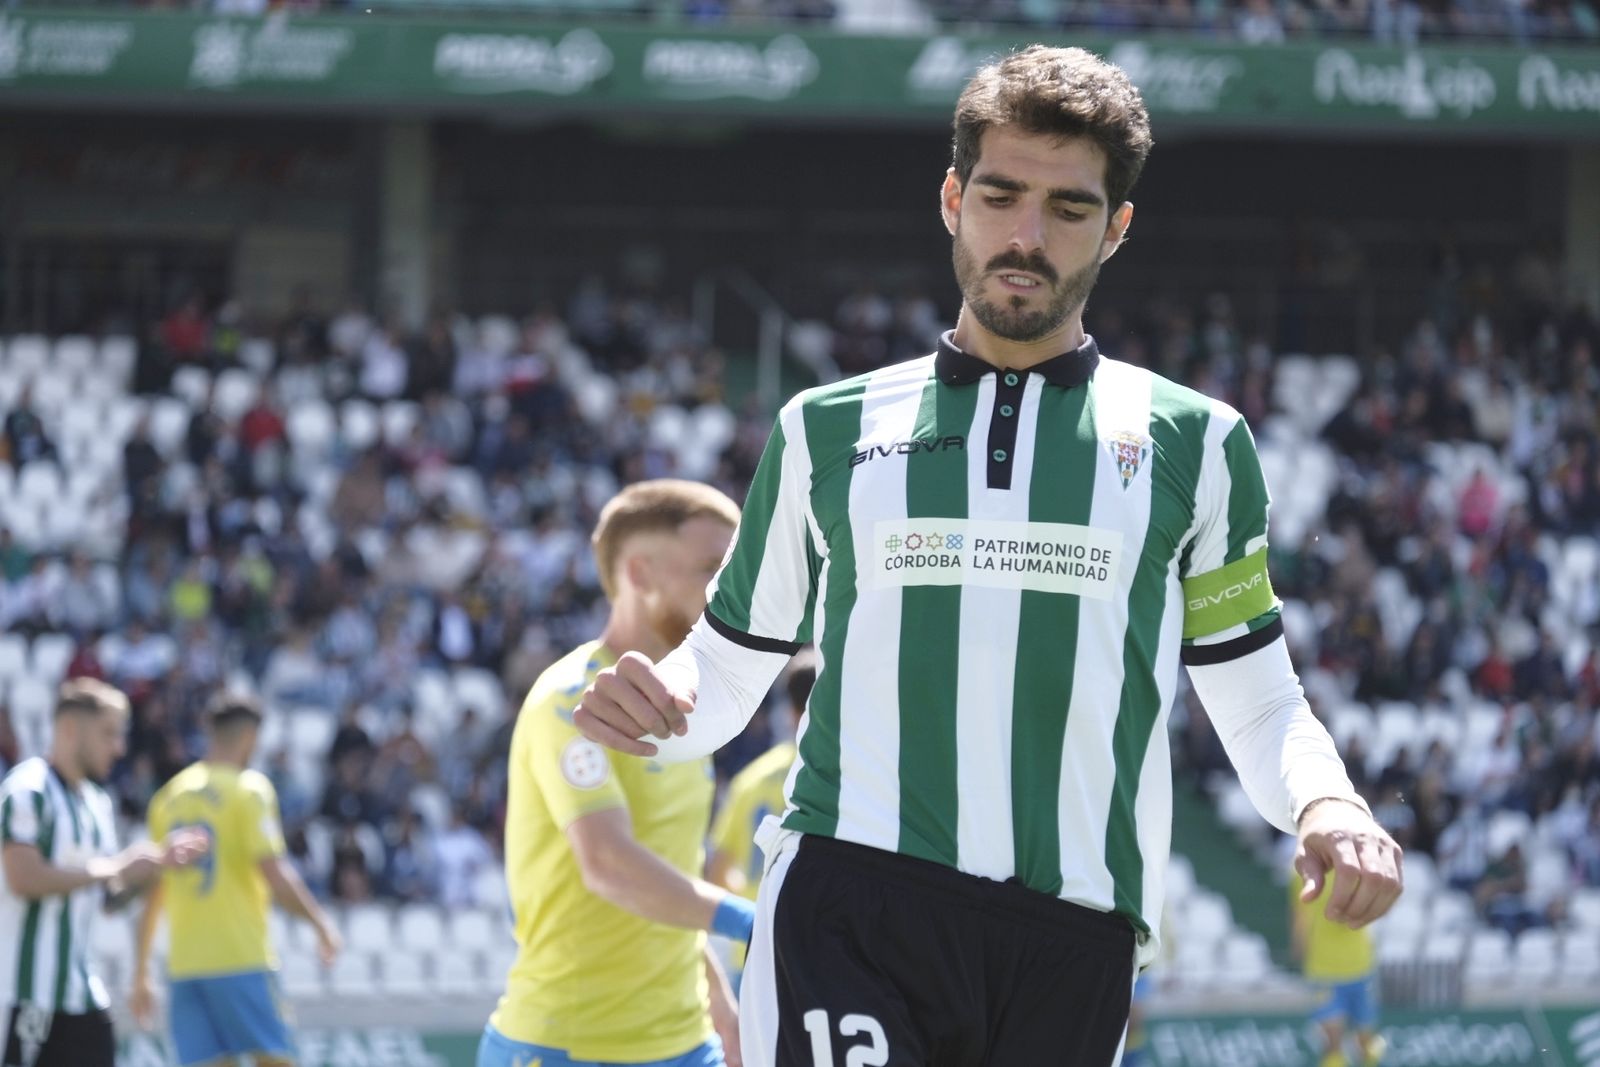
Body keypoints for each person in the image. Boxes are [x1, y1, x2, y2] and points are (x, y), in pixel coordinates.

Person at [575, 45, 1403, 1067]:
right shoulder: (823, 428)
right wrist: (659, 706)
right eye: (1002, 195)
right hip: (852, 900)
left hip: (1076, 933)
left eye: (1067, 207)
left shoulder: (1198, 441)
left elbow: (1255, 694)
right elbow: (731, 660)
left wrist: (1330, 800)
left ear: (1117, 227)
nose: (1025, 234)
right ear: (953, 198)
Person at [479, 479, 753, 1067]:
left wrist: (719, 1001)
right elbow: (609, 864)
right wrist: (752, 920)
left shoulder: (685, 705)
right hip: (568, 1046)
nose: (730, 587)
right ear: (639, 574)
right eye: (712, 566)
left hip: (686, 1043)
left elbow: (671, 878)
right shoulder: (572, 700)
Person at [0, 678, 207, 1067]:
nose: (119, 748)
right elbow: (23, 877)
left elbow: (108, 899)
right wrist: (115, 867)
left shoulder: (97, 803)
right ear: (70, 729)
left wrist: (154, 867)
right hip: (25, 994)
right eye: (108, 734)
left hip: (82, 996)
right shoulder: (28, 790)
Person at [131, 694, 342, 1067]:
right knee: (277, 1060)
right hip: (240, 958)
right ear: (250, 736)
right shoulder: (249, 790)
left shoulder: (168, 797)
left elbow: (154, 890)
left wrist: (141, 971)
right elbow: (275, 873)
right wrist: (320, 924)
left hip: (185, 966)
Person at [1291, 865, 1384, 1067]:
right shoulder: (1302, 871)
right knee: (1332, 1041)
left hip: (1360, 966)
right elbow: (1300, 914)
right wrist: (1300, 946)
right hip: (1323, 970)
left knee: (1365, 1041)